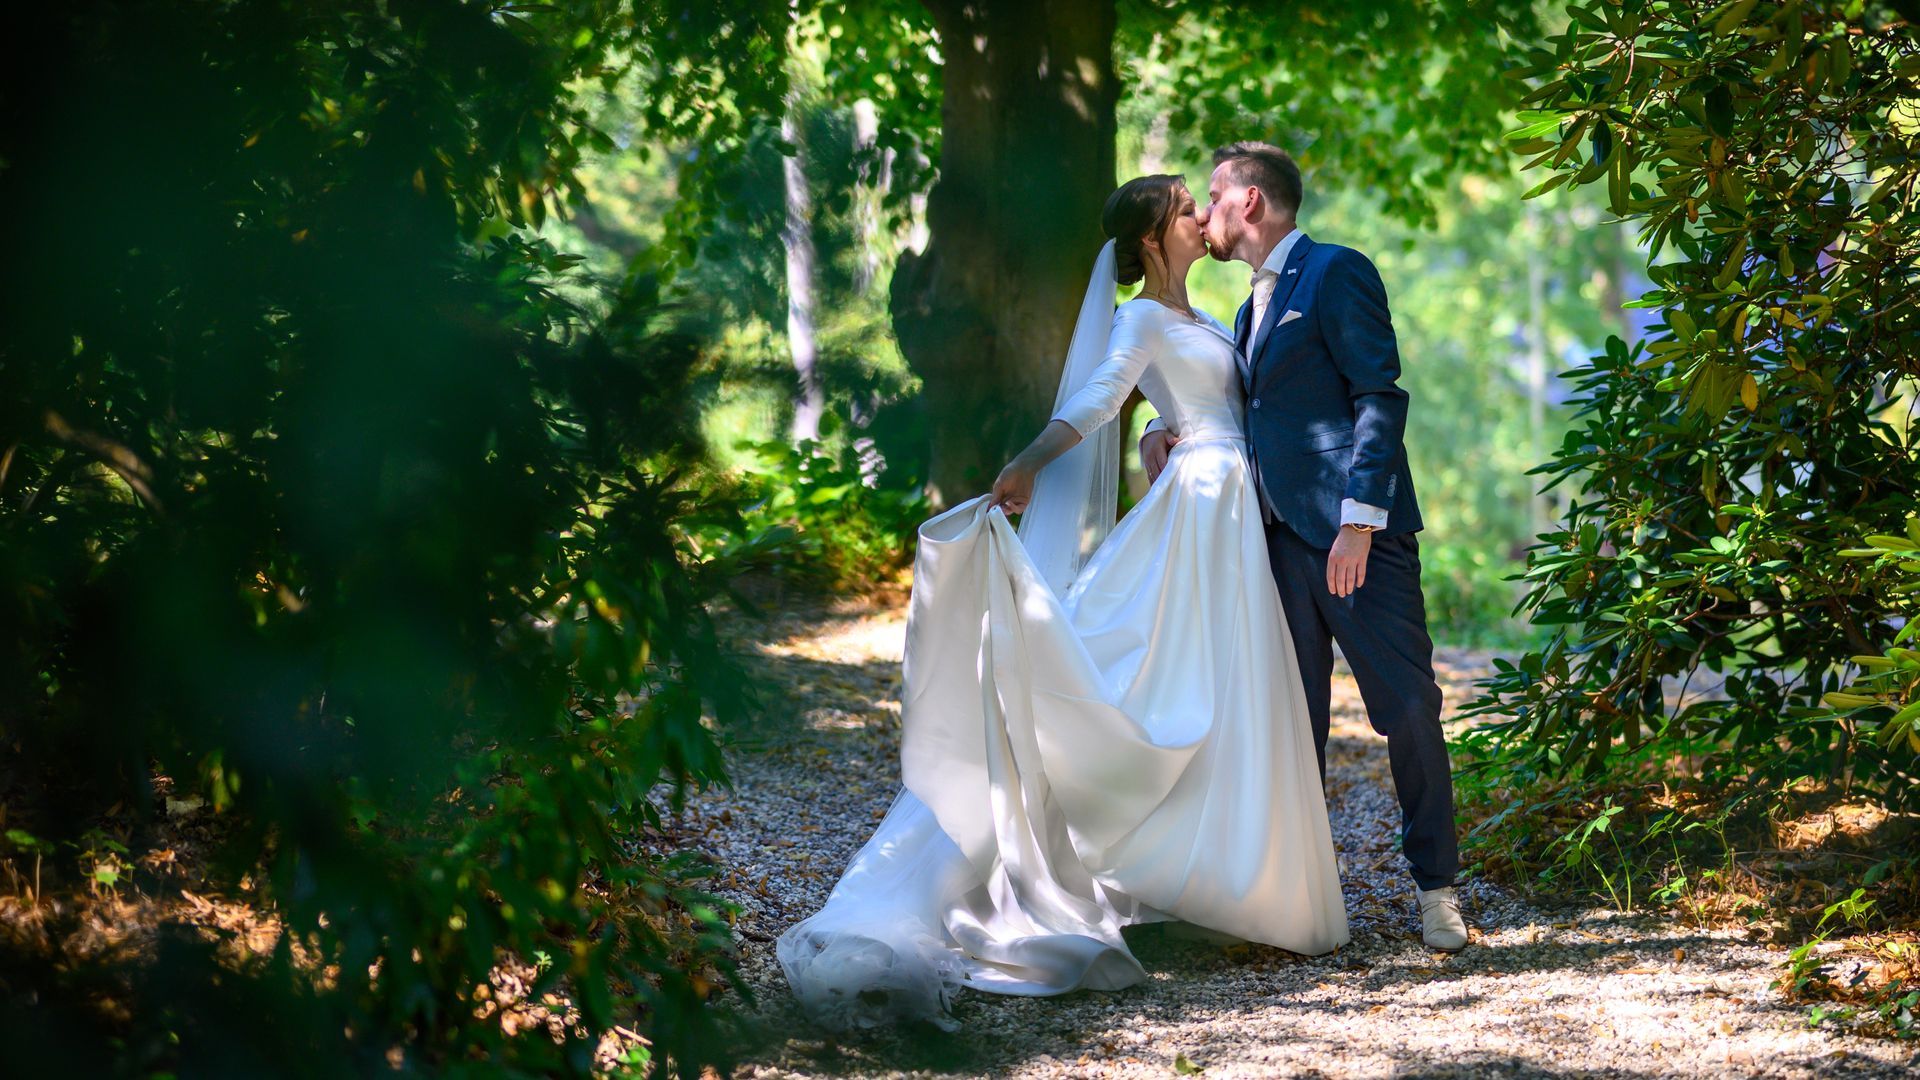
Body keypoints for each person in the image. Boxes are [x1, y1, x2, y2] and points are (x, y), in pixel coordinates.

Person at [777, 171, 1349, 1033]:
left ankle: (1227, 884)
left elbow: (1225, 406)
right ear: (1154, 235)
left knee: (1230, 689)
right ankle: (1103, 864)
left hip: (1228, 502)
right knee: (1164, 684)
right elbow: (1096, 401)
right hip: (1200, 510)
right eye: (1186, 205)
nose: (1202, 213)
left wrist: (1170, 436)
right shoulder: (1141, 318)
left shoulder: (1211, 318)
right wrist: (1028, 462)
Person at [1140, 141, 1465, 953]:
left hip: (1358, 539)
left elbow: (1378, 397)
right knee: (1288, 724)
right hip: (1274, 545)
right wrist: (1159, 429)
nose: (1203, 213)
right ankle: (1287, 901)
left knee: (1409, 707)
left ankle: (1437, 892)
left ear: (1248, 202)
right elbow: (1238, 408)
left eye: (1211, 196)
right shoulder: (1246, 311)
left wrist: (1360, 522)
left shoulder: (1337, 271)